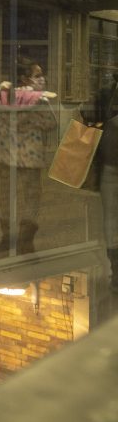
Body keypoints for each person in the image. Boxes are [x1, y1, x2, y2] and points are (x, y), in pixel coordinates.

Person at [0, 60, 59, 253]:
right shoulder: (39, 100)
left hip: (6, 154)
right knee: (32, 196)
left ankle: (7, 237)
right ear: (25, 78)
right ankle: (25, 239)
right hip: (30, 156)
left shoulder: (5, 95)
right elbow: (51, 123)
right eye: (37, 75)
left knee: (7, 196)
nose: (42, 79)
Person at [89, 73, 118, 290]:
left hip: (110, 162)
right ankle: (116, 268)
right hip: (110, 164)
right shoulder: (106, 92)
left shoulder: (107, 91)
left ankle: (116, 268)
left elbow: (90, 115)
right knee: (111, 218)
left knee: (111, 217)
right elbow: (91, 116)